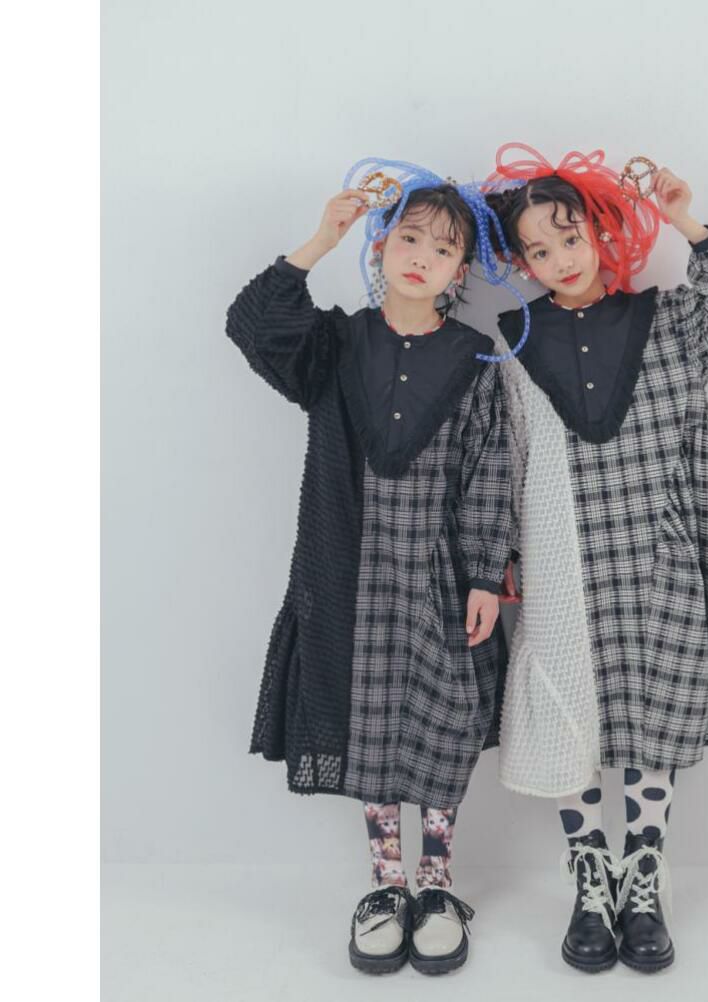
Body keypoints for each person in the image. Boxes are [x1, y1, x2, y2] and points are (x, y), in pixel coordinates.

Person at [484, 143, 708, 973]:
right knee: (567, 715)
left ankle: (643, 873)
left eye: (570, 237)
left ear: (601, 229)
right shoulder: (512, 343)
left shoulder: (669, 320)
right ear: (521, 263)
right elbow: (504, 456)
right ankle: (591, 875)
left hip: (660, 544)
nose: (560, 260)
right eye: (538, 251)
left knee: (657, 706)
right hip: (558, 553)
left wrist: (687, 222)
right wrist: (499, 556)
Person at [224, 159, 525, 975]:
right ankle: (388, 884)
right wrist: (322, 237)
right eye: (410, 238)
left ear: (461, 272)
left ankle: (437, 883)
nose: (423, 256)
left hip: (438, 575)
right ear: (382, 245)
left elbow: (489, 470)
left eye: (444, 248)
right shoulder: (335, 343)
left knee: (443, 721)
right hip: (348, 569)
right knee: (369, 725)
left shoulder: (475, 357)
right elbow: (252, 323)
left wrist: (484, 575)